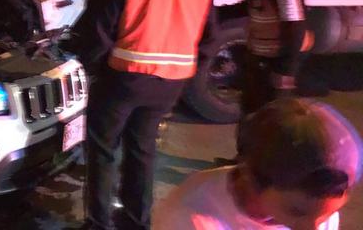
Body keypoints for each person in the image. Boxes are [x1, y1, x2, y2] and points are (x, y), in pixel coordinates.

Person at [60, 0, 216, 230]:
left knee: (103, 150)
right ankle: (136, 221)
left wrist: (86, 64)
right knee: (142, 151)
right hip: (170, 85)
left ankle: (99, 223)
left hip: (123, 81)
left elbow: (96, 33)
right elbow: (209, 39)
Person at [155, 98, 363, 229]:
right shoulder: (189, 219)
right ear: (250, 178)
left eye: (327, 214)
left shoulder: (312, 208)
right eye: (296, 212)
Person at [215, 0, 313, 117]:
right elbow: (250, 6)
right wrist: (213, 13)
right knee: (251, 112)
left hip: (277, 60)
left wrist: (285, 70)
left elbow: (294, 22)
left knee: (272, 119)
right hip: (258, 56)